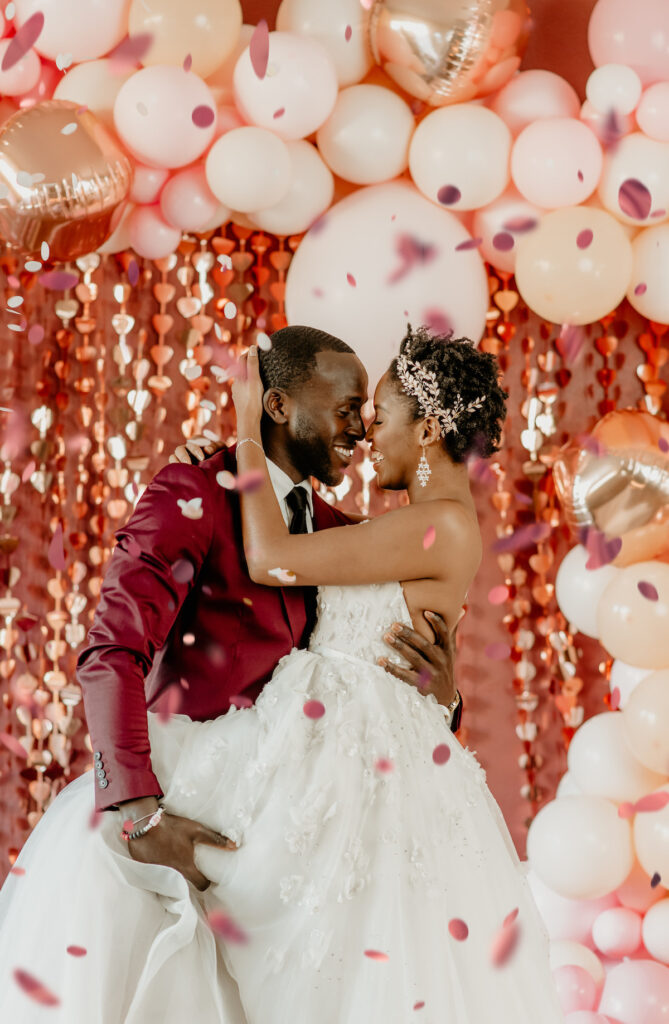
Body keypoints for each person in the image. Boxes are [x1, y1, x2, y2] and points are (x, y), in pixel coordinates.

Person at [0, 326, 463, 1023]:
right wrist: (138, 814)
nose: (361, 428)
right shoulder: (190, 490)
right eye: (345, 405)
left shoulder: (341, 529)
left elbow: (369, 676)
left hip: (291, 854)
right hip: (179, 826)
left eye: (369, 409)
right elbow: (111, 653)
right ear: (275, 406)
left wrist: (445, 698)